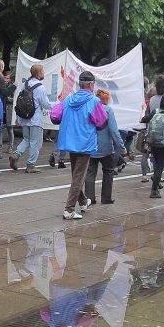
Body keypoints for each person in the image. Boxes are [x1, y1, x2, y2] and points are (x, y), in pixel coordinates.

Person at [50, 71, 108, 219]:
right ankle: (69, 209)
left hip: (69, 140)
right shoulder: (94, 101)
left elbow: (55, 116)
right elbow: (102, 122)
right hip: (85, 142)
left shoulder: (69, 99)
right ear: (91, 84)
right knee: (78, 176)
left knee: (76, 173)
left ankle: (82, 201)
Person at [85, 89, 127, 205]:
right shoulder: (108, 110)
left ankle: (89, 198)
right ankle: (106, 198)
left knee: (90, 173)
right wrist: (122, 148)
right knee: (108, 171)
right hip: (106, 148)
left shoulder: (89, 108)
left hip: (91, 146)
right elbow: (114, 131)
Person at [9, 63, 52, 173]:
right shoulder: (40, 87)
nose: (43, 73)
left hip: (24, 117)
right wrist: (57, 106)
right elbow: (46, 104)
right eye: (42, 72)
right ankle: (31, 165)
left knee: (27, 139)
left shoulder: (25, 84)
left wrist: (18, 118)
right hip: (35, 119)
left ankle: (16, 154)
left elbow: (20, 100)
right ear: (38, 73)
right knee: (35, 142)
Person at [140, 92, 164, 198]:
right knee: (159, 166)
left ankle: (157, 184)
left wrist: (144, 109)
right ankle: (154, 190)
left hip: (153, 142)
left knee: (156, 163)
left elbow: (143, 119)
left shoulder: (155, 111)